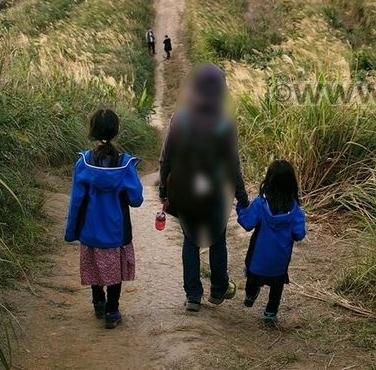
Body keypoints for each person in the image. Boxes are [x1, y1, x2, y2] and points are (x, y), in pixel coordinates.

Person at [159, 64, 249, 312]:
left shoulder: (180, 117)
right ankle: (218, 290)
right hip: (215, 192)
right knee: (218, 241)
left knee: (190, 242)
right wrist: (242, 196)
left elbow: (166, 157)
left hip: (186, 191)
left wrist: (163, 190)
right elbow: (232, 163)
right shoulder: (224, 121)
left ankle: (193, 296)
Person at [64, 109, 144, 329]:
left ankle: (98, 302)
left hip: (90, 231)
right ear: (116, 131)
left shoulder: (84, 162)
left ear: (92, 131)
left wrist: (72, 231)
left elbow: (76, 202)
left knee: (95, 267)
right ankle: (112, 311)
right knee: (114, 271)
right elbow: (136, 199)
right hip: (116, 232)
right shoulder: (124, 163)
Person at [236, 160, 306, 327]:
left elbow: (247, 223)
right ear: (291, 183)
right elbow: (299, 234)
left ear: (269, 179)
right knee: (277, 286)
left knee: (252, 278)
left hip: (257, 258)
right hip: (280, 260)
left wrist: (240, 207)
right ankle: (270, 313)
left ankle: (250, 295)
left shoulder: (261, 203)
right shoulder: (295, 209)